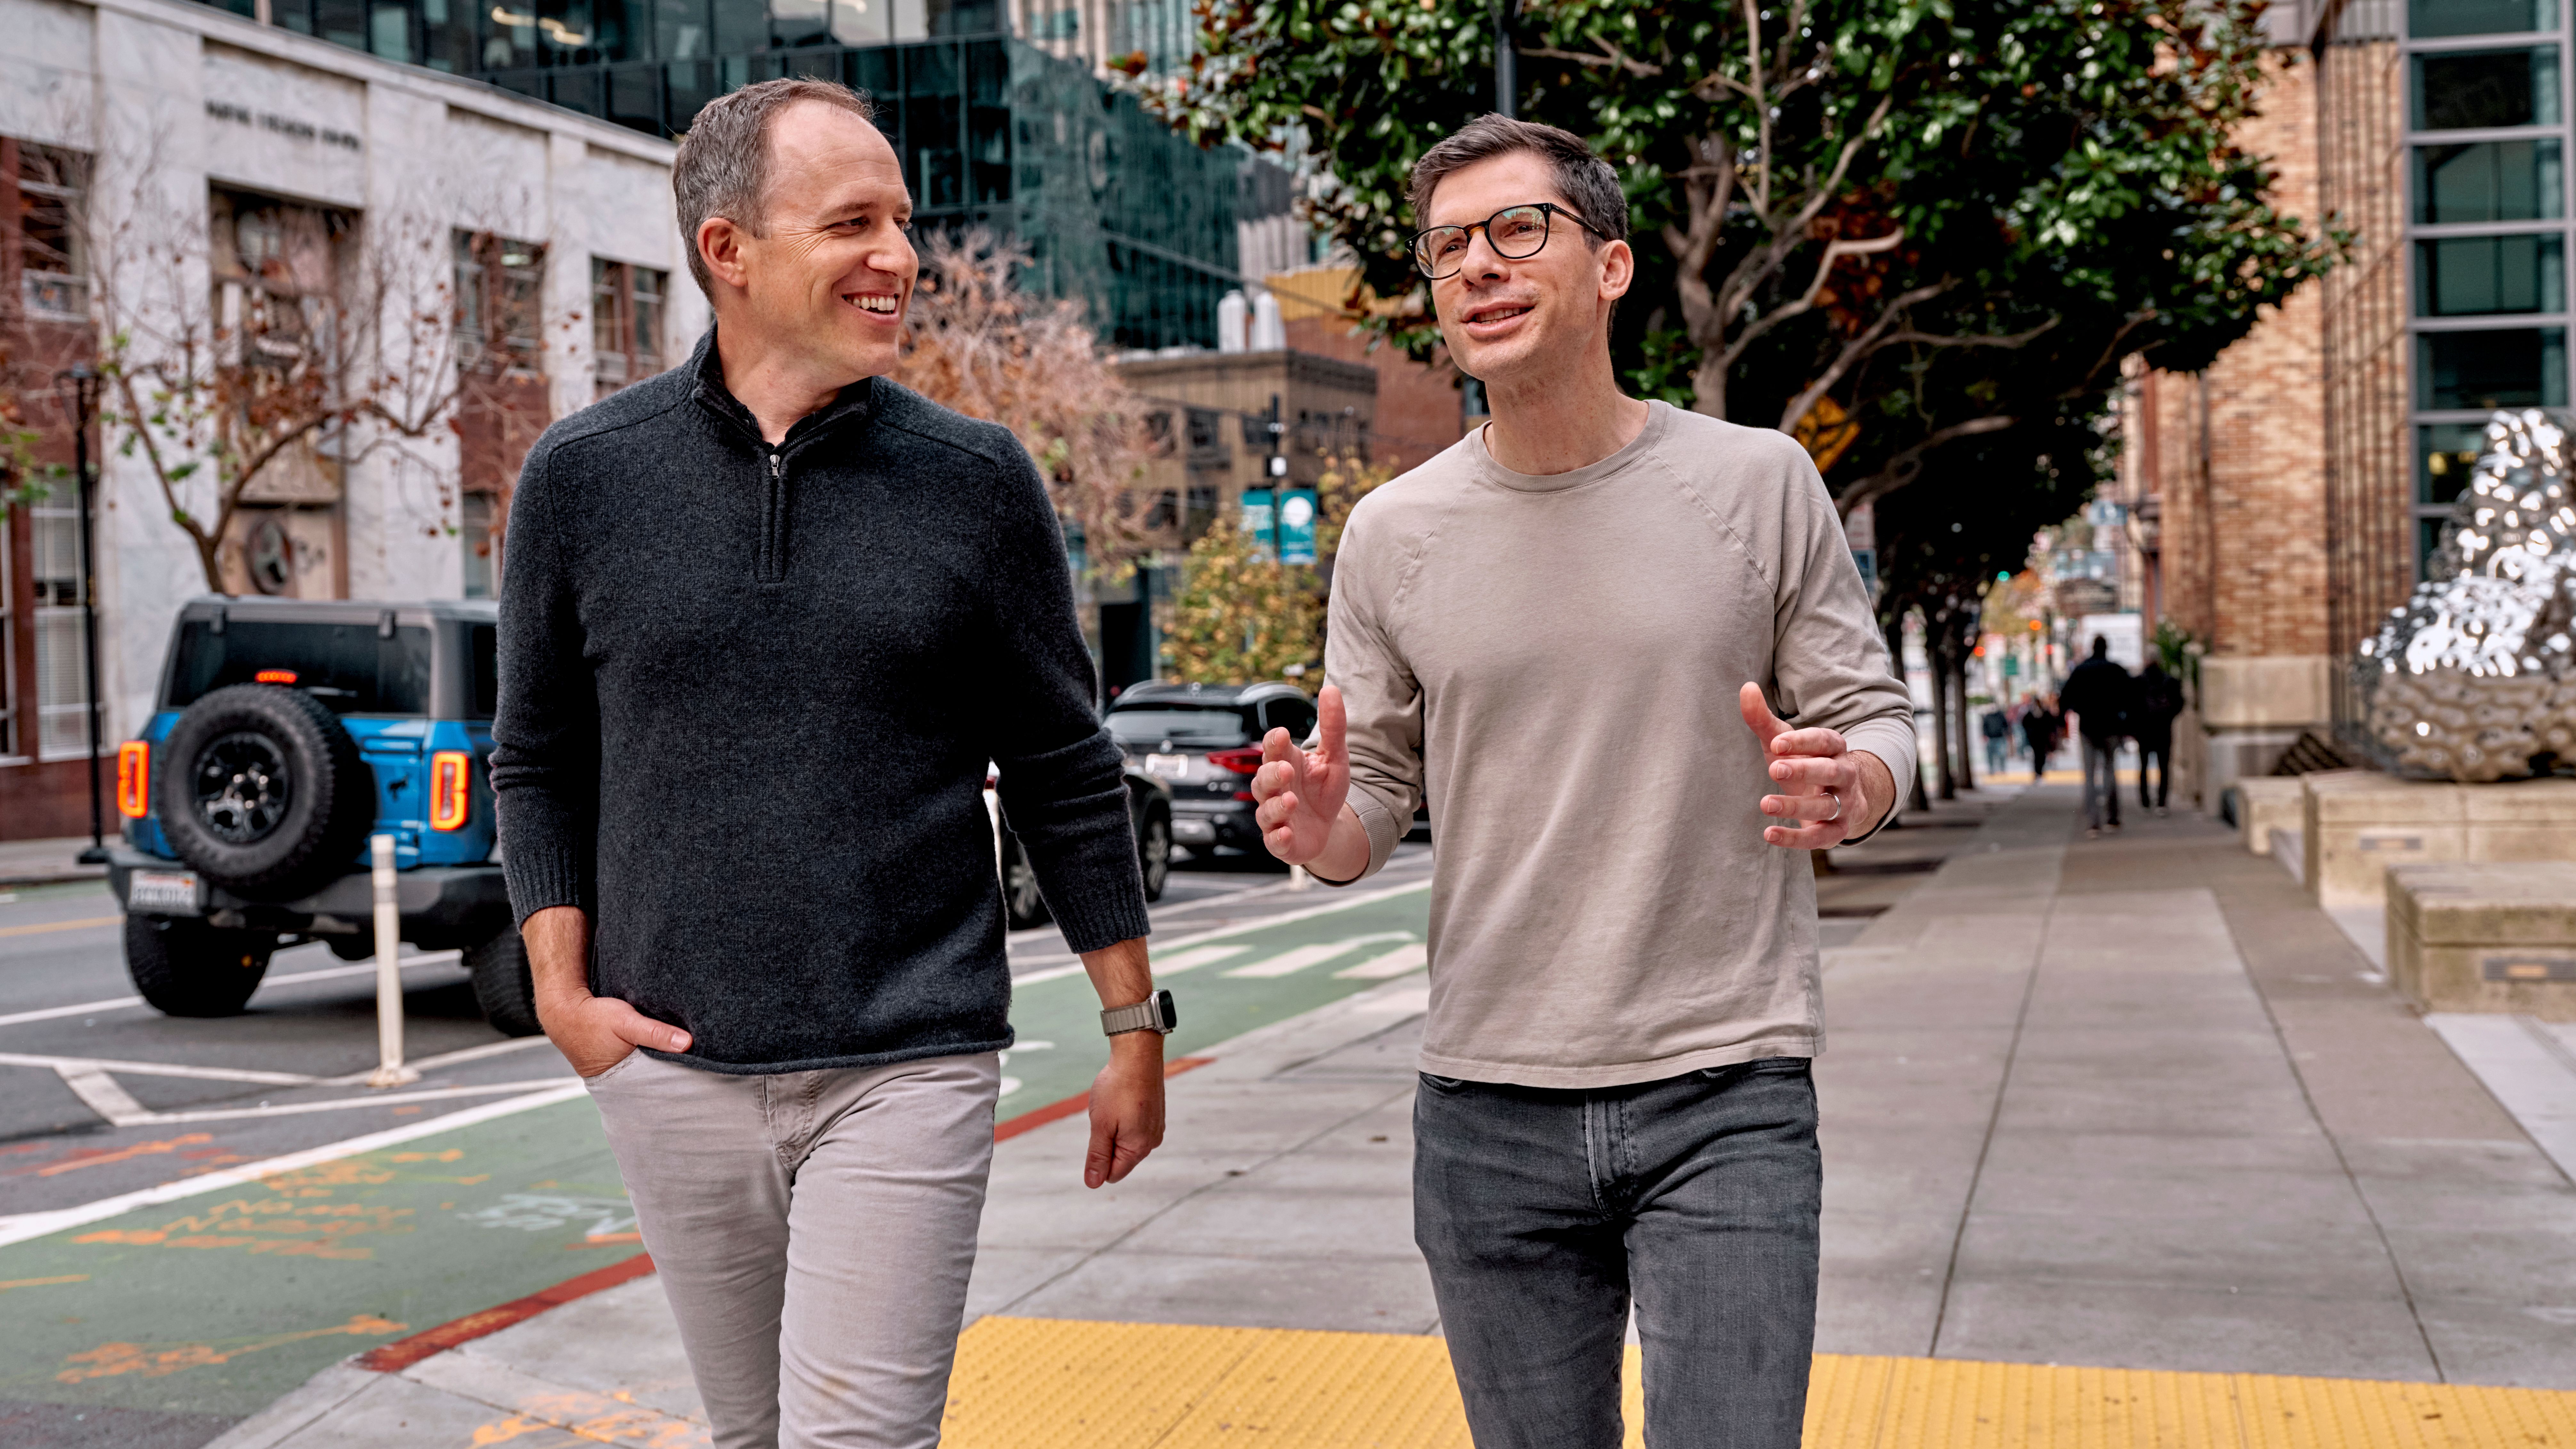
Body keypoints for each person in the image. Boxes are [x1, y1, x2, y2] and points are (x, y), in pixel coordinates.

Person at [489, 78, 1171, 1449]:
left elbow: (1060, 766)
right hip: (670, 1061)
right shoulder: (579, 478)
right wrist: (563, 995)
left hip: (905, 1057)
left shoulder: (975, 484)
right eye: (851, 222)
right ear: (727, 250)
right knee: (752, 1437)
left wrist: (1131, 1024)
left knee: (855, 1438)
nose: (899, 258)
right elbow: (537, 754)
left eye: (903, 224)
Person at [1245, 115, 1915, 1449]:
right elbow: (1370, 789)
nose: (1478, 269)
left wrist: (1856, 786)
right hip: (1486, 1108)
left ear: (1609, 267)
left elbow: (1873, 715)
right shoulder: (1392, 535)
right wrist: (1321, 832)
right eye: (1446, 251)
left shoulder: (1756, 481)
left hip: (1724, 1089)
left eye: (1514, 231)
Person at [2057, 636, 2136, 838]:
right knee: (2110, 771)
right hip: (2112, 728)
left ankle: (2093, 822)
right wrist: (2127, 724)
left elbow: (2065, 696)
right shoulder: (2116, 670)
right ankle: (2113, 817)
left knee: (2090, 776)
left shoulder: (2082, 670)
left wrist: (2064, 719)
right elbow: (2131, 698)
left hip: (2089, 728)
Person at [2134, 661, 2183, 815]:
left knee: (2144, 766)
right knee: (2164, 767)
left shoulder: (2139, 682)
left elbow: (2131, 705)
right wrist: (2170, 717)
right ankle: (2162, 802)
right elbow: (2180, 703)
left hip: (2144, 731)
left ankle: (2145, 800)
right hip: (2163, 730)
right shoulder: (2170, 681)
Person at [2019, 692, 2059, 781]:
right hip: (2035, 739)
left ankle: (2040, 772)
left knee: (2042, 756)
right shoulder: (2030, 714)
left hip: (2043, 739)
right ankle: (2038, 773)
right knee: (2037, 756)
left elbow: (2052, 725)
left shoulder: (2045, 713)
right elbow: (2025, 723)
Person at [1980, 703, 2010, 778]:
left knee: (2002, 755)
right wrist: (1985, 736)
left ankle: (2002, 770)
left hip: (2000, 738)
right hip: (1991, 739)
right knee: (1990, 756)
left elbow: (2006, 725)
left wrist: (2007, 734)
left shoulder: (2000, 716)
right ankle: (1992, 771)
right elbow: (1984, 727)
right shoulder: (1987, 717)